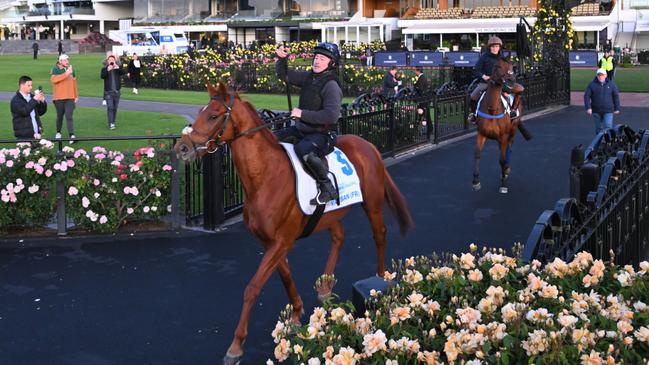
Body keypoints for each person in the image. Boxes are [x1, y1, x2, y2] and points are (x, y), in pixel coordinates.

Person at [275, 42, 343, 205]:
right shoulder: (309, 77)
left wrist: (301, 114)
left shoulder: (331, 85)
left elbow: (331, 116)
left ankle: (327, 187)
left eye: (322, 59)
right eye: (316, 57)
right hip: (302, 129)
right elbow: (285, 75)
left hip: (322, 133)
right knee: (273, 140)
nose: (317, 61)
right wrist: (280, 59)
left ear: (331, 63)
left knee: (303, 149)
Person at [467, 36, 503, 122]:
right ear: (490, 47)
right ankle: (474, 115)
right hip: (486, 83)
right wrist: (483, 76)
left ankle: (511, 112)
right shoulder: (484, 57)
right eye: (493, 47)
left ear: (499, 47)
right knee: (473, 96)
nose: (495, 49)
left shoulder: (502, 57)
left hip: (499, 83)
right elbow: (476, 70)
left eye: (497, 47)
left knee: (509, 95)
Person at [50, 54, 78, 142]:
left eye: (68, 60)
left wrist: (76, 95)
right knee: (60, 116)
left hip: (70, 97)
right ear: (60, 61)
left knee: (69, 116)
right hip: (59, 98)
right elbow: (54, 80)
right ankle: (58, 132)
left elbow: (74, 83)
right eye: (65, 60)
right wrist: (66, 74)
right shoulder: (55, 69)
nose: (67, 62)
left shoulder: (71, 70)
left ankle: (72, 135)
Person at [584, 68, 620, 134]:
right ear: (596, 76)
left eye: (602, 75)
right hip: (596, 110)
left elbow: (616, 96)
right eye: (599, 75)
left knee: (608, 127)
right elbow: (586, 96)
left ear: (606, 75)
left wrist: (617, 108)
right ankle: (599, 141)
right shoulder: (591, 85)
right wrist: (588, 108)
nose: (600, 77)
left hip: (608, 110)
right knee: (598, 128)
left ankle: (609, 141)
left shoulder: (612, 85)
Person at [10, 75, 47, 140]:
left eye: (31, 85)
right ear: (22, 85)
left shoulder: (32, 97)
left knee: (39, 150)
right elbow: (24, 112)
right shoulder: (15, 100)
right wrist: (34, 100)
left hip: (37, 134)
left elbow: (41, 112)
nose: (31, 87)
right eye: (28, 85)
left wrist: (42, 101)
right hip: (23, 136)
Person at [101, 54, 125, 130]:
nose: (111, 61)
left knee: (115, 108)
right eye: (110, 60)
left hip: (117, 92)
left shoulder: (117, 69)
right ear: (108, 61)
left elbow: (123, 72)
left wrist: (117, 67)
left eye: (113, 60)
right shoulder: (105, 69)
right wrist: (108, 69)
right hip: (108, 92)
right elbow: (102, 76)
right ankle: (111, 123)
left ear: (115, 61)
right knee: (110, 107)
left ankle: (112, 122)